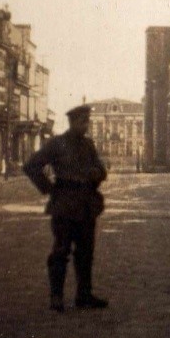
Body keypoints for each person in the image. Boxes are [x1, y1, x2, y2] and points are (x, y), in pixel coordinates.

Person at [23, 104, 108, 312]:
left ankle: (84, 295)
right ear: (72, 122)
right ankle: (56, 296)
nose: (86, 126)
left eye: (87, 121)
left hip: (87, 204)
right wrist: (49, 189)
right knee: (61, 250)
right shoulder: (57, 144)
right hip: (64, 205)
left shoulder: (88, 145)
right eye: (82, 122)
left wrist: (96, 174)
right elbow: (31, 165)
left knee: (86, 252)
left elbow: (100, 168)